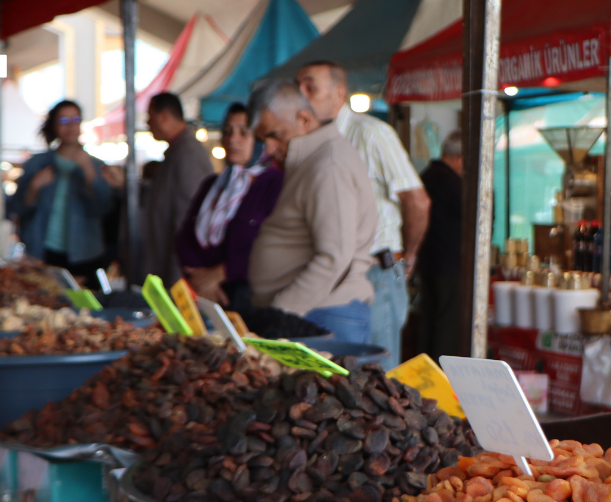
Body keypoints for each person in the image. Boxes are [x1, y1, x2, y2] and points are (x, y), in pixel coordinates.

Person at [296, 60, 430, 365]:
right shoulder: (310, 142)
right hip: (327, 276)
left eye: (310, 86)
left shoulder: (370, 134)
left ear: (339, 94)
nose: (301, 94)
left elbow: (417, 200)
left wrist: (406, 257)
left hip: (375, 274)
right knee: (336, 371)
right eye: (298, 86)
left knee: (378, 377)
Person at [247, 80, 376, 343]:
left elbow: (334, 257)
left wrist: (282, 312)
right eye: (264, 140)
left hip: (321, 314)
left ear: (304, 119)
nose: (269, 149)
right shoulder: (312, 160)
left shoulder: (327, 165)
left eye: (275, 135)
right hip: (313, 312)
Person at [175, 102, 284, 306]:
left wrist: (218, 275)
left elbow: (273, 247)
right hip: (203, 295)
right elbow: (185, 237)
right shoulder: (212, 184)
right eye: (228, 131)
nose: (233, 139)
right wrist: (201, 281)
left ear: (260, 138)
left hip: (249, 299)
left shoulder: (274, 183)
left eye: (244, 132)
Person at [11, 100, 114, 277]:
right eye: (64, 121)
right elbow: (17, 208)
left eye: (75, 120)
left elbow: (103, 209)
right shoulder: (36, 164)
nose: (71, 127)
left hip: (85, 252)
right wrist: (34, 187)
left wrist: (90, 174)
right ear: (54, 125)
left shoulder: (97, 166)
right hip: (42, 251)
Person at [140, 92, 213, 285]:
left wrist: (177, 279)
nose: (148, 123)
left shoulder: (188, 155)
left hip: (177, 273)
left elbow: (187, 219)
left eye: (150, 116)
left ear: (163, 116)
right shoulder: (178, 152)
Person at [416, 131, 465, 360]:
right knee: (447, 326)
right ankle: (440, 379)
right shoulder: (452, 183)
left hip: (428, 261)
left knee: (429, 321)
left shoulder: (425, 176)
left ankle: (424, 373)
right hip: (450, 265)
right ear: (460, 158)